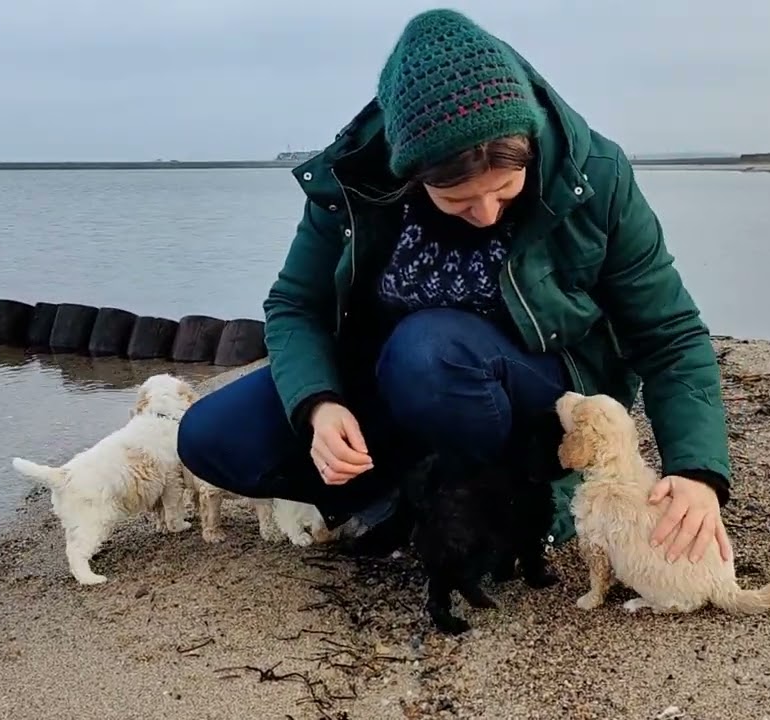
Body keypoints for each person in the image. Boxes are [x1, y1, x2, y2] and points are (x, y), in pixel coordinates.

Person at [178, 8, 733, 563]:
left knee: (430, 349)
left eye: (507, 190)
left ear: (530, 148)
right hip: (397, 376)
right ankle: (401, 494)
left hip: (538, 382)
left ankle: (510, 500)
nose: (488, 215)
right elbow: (295, 305)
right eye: (459, 201)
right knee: (212, 436)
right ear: (411, 175)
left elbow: (669, 332)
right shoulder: (355, 182)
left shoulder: (596, 174)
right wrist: (318, 405)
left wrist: (696, 470)